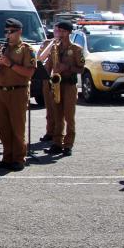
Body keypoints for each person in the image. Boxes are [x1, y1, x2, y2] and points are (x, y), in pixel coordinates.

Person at [0, 18, 36, 170]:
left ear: (19, 32)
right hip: (1, 91)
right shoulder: (2, 48)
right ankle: (7, 156)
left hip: (18, 91)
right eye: (6, 32)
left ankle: (19, 158)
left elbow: (29, 73)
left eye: (11, 32)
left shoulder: (26, 49)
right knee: (3, 127)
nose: (8, 35)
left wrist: (10, 64)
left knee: (17, 127)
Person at [39, 21, 84, 156]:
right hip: (57, 84)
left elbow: (81, 69)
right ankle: (57, 143)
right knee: (57, 115)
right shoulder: (54, 48)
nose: (60, 34)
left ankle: (68, 144)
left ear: (69, 32)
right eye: (59, 31)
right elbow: (48, 66)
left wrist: (67, 67)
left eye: (63, 31)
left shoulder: (76, 49)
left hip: (69, 85)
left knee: (69, 116)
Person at [37, 30, 58, 143]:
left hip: (60, 80)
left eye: (60, 30)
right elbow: (39, 58)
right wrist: (51, 44)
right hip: (47, 79)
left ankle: (59, 134)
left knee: (59, 109)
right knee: (49, 109)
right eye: (55, 30)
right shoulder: (47, 43)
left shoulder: (67, 46)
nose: (57, 33)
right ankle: (49, 132)